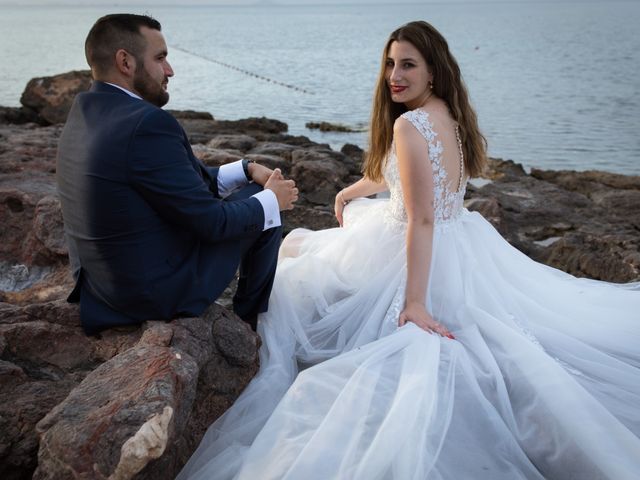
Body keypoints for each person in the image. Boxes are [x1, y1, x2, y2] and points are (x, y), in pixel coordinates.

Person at [177, 21, 640, 480]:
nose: (394, 75)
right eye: (390, 64)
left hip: (419, 244)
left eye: (408, 65)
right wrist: (350, 191)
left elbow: (420, 217)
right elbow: (407, 175)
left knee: (296, 281)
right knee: (307, 261)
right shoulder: (449, 116)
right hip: (463, 241)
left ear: (433, 70)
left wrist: (415, 302)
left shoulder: (408, 124)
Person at [57, 14, 298, 335]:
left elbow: (182, 182)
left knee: (256, 194)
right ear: (125, 61)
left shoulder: (85, 112)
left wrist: (246, 169)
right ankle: (250, 324)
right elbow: (213, 223)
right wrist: (273, 200)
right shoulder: (146, 123)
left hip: (100, 289)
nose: (170, 70)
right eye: (160, 58)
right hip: (150, 295)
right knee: (262, 205)